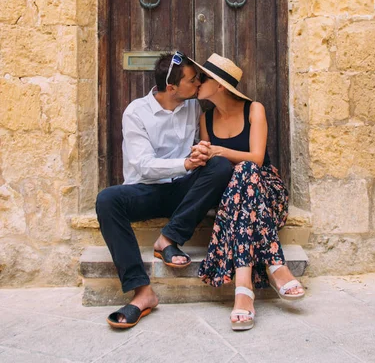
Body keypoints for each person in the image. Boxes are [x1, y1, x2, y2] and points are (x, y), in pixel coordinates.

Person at [96, 52, 234, 329]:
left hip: (182, 192)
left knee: (220, 167)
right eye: (193, 80)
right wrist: (185, 163)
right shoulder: (136, 112)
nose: (198, 84)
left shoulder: (194, 108)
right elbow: (144, 166)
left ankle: (168, 239)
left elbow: (201, 147)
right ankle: (142, 291)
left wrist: (201, 152)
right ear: (172, 87)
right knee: (107, 200)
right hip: (144, 192)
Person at [188, 53, 305, 332]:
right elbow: (213, 165)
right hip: (232, 196)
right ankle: (276, 266)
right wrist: (203, 153)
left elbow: (257, 157)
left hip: (266, 191)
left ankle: (243, 288)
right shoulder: (206, 118)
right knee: (241, 175)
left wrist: (219, 150)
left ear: (219, 85)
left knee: (246, 170)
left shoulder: (254, 110)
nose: (197, 83)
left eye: (203, 78)